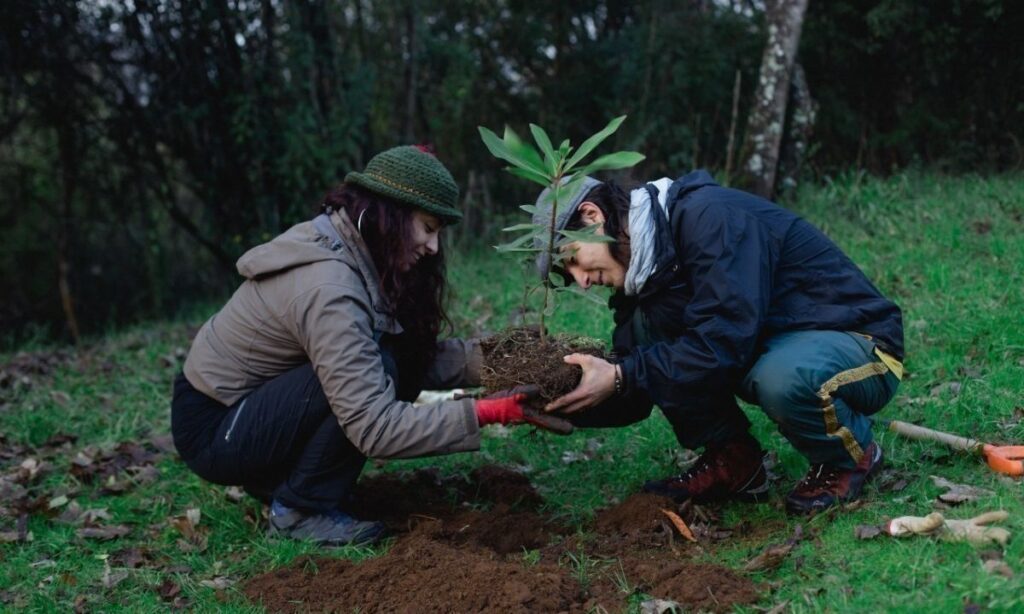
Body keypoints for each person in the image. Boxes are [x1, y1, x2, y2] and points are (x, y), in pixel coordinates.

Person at [171, 146, 541, 546]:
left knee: (385, 360)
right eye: (428, 227)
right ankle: (299, 511)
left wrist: (509, 361)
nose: (434, 247)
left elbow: (413, 356)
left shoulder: (356, 253)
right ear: (391, 216)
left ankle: (287, 482)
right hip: (216, 428)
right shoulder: (330, 288)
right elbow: (374, 425)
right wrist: (490, 411)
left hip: (253, 408)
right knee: (374, 372)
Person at [538, 172, 904, 514]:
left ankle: (849, 456)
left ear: (592, 216)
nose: (581, 282)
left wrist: (620, 374)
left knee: (784, 379)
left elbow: (721, 345)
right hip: (766, 345)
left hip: (857, 342)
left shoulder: (711, 218)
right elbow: (638, 385)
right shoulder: (642, 270)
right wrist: (555, 398)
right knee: (650, 335)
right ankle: (735, 461)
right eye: (569, 276)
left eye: (573, 261)